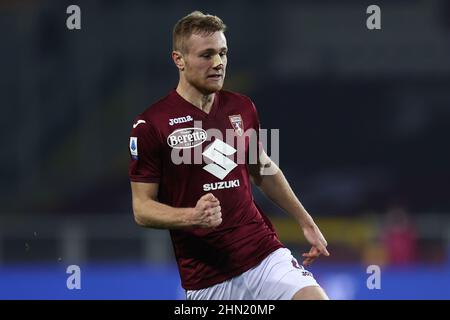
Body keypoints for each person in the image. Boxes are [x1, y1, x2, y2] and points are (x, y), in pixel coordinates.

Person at [128, 11, 330, 300]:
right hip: (207, 279)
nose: (218, 63)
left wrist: (305, 221)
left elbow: (261, 168)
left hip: (264, 256)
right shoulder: (151, 124)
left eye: (223, 53)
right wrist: (192, 216)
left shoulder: (242, 107)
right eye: (207, 55)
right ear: (179, 60)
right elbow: (142, 208)